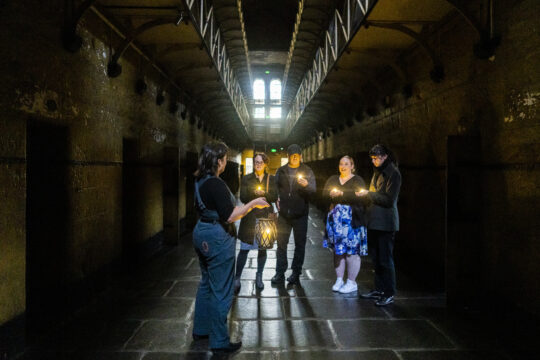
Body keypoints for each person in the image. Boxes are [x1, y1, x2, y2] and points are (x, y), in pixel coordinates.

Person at [192, 142, 269, 354]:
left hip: (201, 232)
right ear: (219, 161)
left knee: (206, 283)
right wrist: (253, 204)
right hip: (217, 237)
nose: (226, 161)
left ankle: (201, 329)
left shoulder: (199, 179)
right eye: (225, 158)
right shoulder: (215, 184)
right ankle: (219, 341)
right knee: (222, 290)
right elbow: (230, 215)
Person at [357, 144, 401, 306]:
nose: (374, 161)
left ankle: (389, 292)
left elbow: (389, 200)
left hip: (386, 223)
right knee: (376, 259)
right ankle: (379, 288)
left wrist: (369, 194)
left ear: (384, 157)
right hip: (374, 222)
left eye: (376, 158)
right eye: (372, 158)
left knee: (385, 259)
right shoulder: (378, 172)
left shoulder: (393, 174)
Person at [271, 144, 316, 285]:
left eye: (297, 155)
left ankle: (296, 273)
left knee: (300, 245)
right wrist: (276, 198)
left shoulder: (307, 171)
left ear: (301, 156)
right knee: (281, 244)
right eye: (292, 155)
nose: (295, 157)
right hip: (284, 214)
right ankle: (280, 273)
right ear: (288, 156)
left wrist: (306, 186)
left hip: (300, 214)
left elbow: (313, 190)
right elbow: (274, 188)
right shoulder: (281, 170)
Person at [323, 156, 368, 293]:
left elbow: (360, 196)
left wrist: (342, 194)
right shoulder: (333, 179)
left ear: (352, 166)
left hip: (352, 222)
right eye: (341, 164)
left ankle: (351, 282)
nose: (343, 166)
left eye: (346, 164)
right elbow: (324, 195)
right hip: (336, 222)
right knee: (338, 251)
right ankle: (339, 279)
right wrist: (330, 194)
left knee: (352, 253)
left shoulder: (357, 180)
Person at [235, 153, 277, 292]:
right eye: (256, 162)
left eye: (260, 162)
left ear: (265, 164)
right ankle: (237, 277)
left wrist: (263, 194)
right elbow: (243, 197)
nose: (258, 164)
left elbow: (274, 195)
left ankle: (259, 276)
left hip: (264, 218)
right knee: (244, 249)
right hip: (250, 218)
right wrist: (254, 194)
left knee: (262, 248)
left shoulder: (271, 179)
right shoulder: (247, 178)